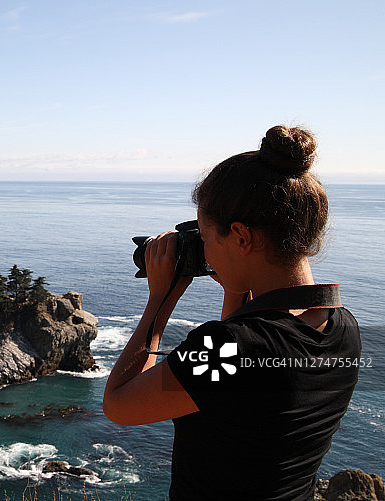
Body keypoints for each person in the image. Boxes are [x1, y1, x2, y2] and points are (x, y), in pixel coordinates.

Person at [102, 125, 361, 500]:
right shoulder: (344, 327)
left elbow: (119, 404)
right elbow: (236, 390)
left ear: (241, 237)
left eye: (206, 238)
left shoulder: (228, 346)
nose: (204, 252)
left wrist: (161, 299)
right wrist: (237, 291)